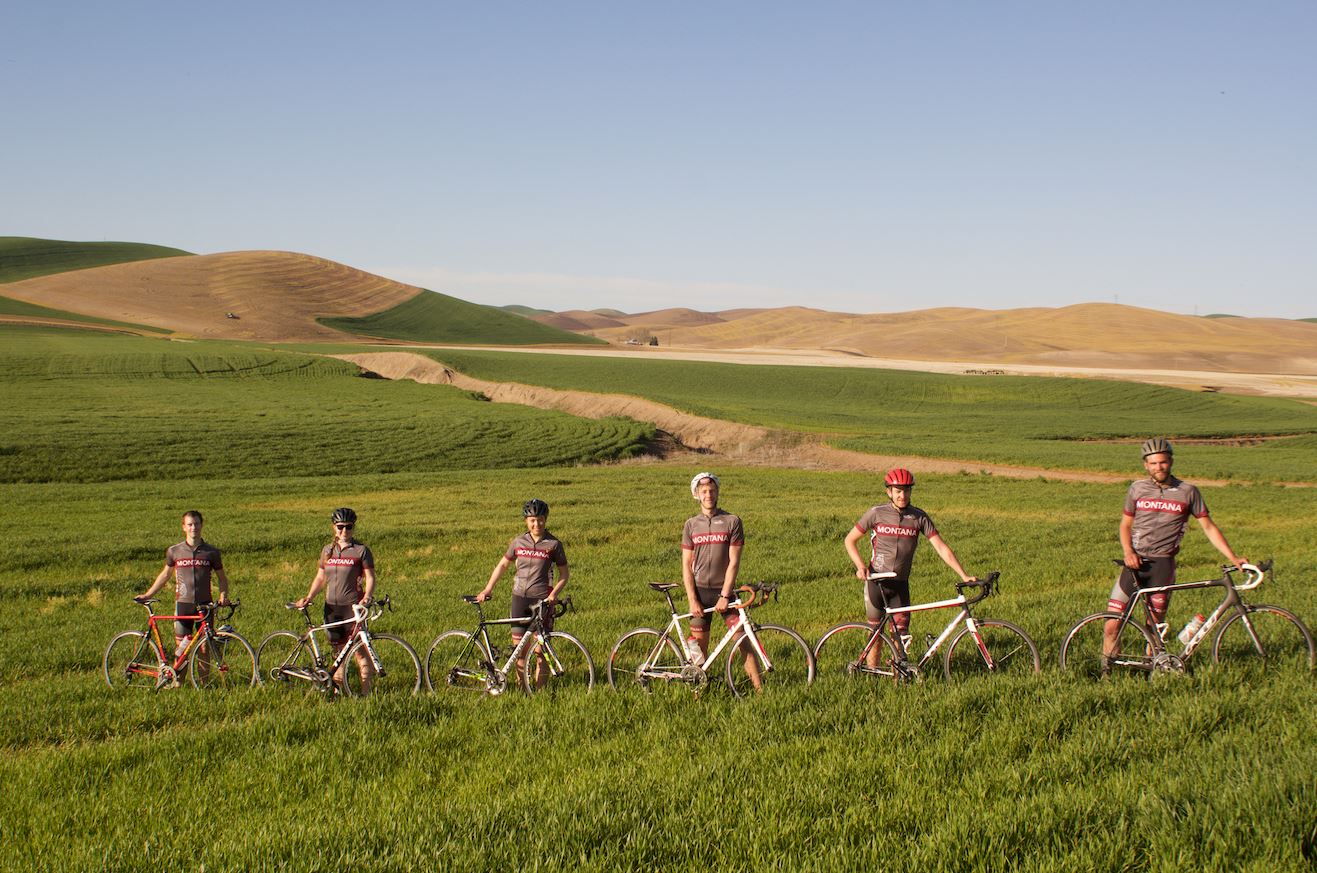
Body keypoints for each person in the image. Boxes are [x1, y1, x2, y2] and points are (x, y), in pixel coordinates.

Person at [1105, 438, 1245, 658]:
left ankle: (1153, 672)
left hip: (1162, 566)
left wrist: (1233, 557)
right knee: (1111, 626)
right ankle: (1107, 673)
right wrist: (1128, 552)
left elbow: (1208, 527)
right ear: (1145, 465)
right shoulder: (1137, 488)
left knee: (1154, 630)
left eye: (1162, 462)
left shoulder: (1188, 492)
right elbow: (1125, 524)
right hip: (1134, 564)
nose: (1158, 467)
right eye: (1153, 463)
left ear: (1170, 461)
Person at [844, 468, 976, 666]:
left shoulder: (919, 517)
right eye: (897, 491)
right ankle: (872, 673)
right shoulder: (876, 513)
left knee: (901, 637)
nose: (902, 495)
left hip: (900, 585)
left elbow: (941, 547)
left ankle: (899, 678)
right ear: (889, 491)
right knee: (876, 634)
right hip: (876, 583)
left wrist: (964, 575)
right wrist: (860, 566)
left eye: (906, 491)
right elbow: (850, 540)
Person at [477, 499, 570, 689]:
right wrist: (488, 588)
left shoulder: (553, 544)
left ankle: (539, 692)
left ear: (546, 519)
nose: (537, 524)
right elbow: (503, 565)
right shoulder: (518, 542)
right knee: (520, 650)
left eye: (540, 519)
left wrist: (554, 594)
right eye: (532, 520)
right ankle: (523, 690)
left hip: (542, 601)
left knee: (540, 650)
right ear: (526, 521)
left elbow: (564, 574)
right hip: (519, 599)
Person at [681, 472, 762, 689]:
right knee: (699, 650)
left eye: (712, 490)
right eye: (704, 491)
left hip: (725, 591)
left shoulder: (732, 521)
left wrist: (726, 595)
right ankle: (698, 693)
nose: (708, 494)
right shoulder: (691, 525)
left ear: (717, 491)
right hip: (700, 593)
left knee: (743, 641)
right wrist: (692, 600)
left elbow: (734, 563)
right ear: (696, 495)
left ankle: (760, 690)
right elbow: (686, 566)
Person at [295, 508, 376, 693]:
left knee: (360, 652)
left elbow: (370, 577)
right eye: (340, 527)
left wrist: (367, 597)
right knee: (339, 653)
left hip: (353, 607)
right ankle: (337, 692)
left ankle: (366, 694)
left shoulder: (361, 551)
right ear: (334, 527)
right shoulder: (328, 550)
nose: (344, 531)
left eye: (348, 527)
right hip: (332, 608)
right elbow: (320, 577)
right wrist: (309, 596)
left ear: (354, 527)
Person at [138, 510, 231, 662]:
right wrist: (148, 595)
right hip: (183, 605)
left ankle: (203, 684)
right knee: (182, 651)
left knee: (204, 648)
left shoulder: (211, 552)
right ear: (183, 527)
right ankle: (178, 684)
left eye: (197, 524)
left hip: (205, 605)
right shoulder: (174, 551)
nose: (193, 527)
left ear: (202, 525)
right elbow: (165, 575)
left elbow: (222, 578)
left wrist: (223, 596)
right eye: (190, 524)